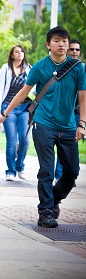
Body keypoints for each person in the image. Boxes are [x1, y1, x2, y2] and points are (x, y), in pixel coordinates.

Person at [0, 26, 86, 228]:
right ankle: (45, 211)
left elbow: (83, 97)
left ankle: (54, 198)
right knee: (46, 170)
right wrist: (5, 113)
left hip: (69, 126)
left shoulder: (78, 68)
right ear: (48, 45)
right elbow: (22, 93)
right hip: (43, 124)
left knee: (72, 171)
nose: (61, 44)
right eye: (56, 40)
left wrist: (82, 124)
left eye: (64, 40)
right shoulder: (40, 68)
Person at [0, 45, 32, 181]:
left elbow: (34, 89)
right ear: (12, 55)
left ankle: (20, 165)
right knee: (11, 141)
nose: (20, 53)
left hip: (25, 108)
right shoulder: (6, 69)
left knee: (25, 139)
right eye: (16, 51)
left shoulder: (29, 69)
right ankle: (10, 170)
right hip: (7, 108)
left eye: (21, 51)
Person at [55, 39, 82, 182]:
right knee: (62, 145)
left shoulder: (82, 68)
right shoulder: (60, 68)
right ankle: (59, 176)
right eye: (71, 49)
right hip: (63, 113)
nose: (74, 52)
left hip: (78, 113)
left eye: (77, 50)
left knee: (71, 146)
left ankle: (68, 175)